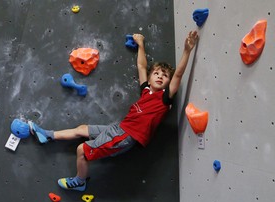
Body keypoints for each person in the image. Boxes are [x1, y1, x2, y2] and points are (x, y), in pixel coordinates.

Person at [28, 31, 198, 192]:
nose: (160, 76)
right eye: (156, 73)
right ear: (151, 76)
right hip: (120, 128)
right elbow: (141, 66)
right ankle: (48, 135)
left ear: (168, 82)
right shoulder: (146, 91)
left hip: (127, 136)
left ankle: (80, 182)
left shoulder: (164, 98)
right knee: (82, 129)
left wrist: (186, 51)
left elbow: (178, 75)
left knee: (82, 150)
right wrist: (140, 44)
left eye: (165, 75)